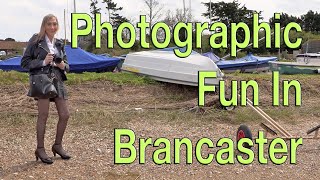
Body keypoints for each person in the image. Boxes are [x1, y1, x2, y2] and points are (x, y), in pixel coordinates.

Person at [21, 14, 71, 164]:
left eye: (55, 24)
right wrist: (43, 61)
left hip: (58, 81)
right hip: (42, 80)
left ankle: (57, 145)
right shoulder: (36, 40)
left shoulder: (60, 43)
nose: (52, 27)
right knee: (43, 115)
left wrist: (62, 65)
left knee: (65, 114)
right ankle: (40, 148)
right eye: (49, 24)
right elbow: (24, 62)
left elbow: (68, 66)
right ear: (44, 25)